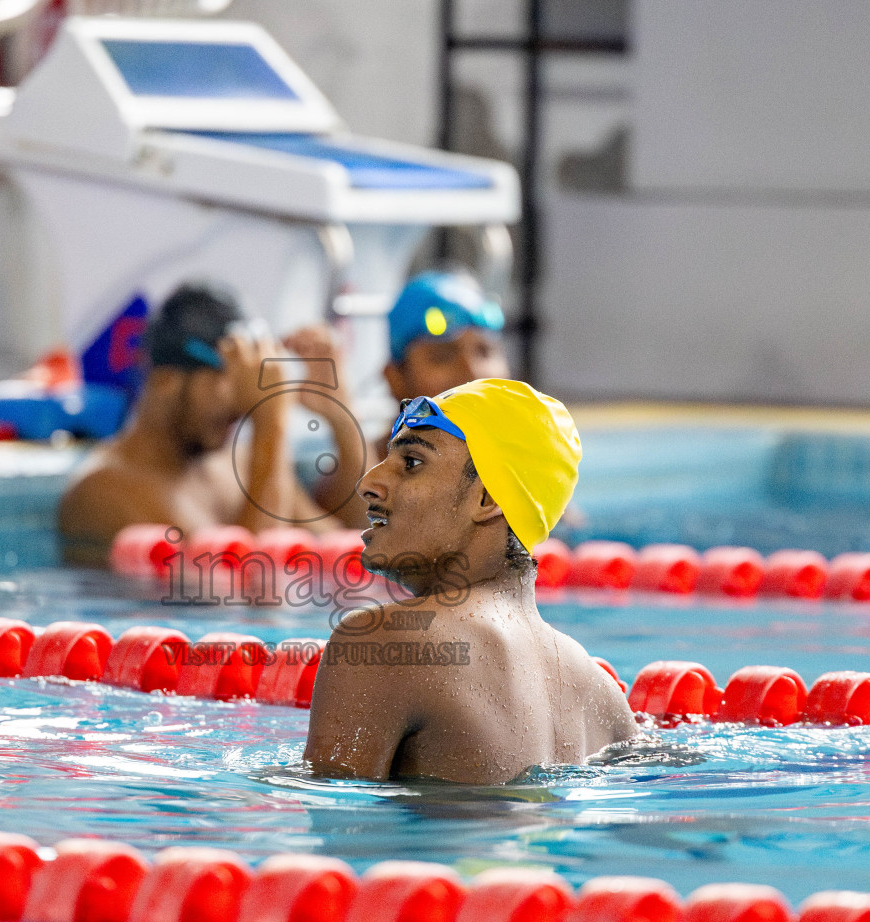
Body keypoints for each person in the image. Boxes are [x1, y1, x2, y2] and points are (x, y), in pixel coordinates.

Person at [304, 378, 638, 784]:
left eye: (411, 463)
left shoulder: (385, 643)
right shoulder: (602, 694)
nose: (368, 484)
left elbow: (335, 816)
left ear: (488, 499)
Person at [59, 281, 368, 563]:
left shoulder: (238, 466)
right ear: (166, 380)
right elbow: (246, 589)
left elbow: (354, 543)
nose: (242, 402)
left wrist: (344, 421)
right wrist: (271, 422)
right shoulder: (104, 491)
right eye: (230, 379)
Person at [377, 271, 511, 464]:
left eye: (485, 351)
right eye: (443, 357)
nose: (472, 372)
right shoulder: (367, 472)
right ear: (395, 379)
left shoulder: (532, 458)